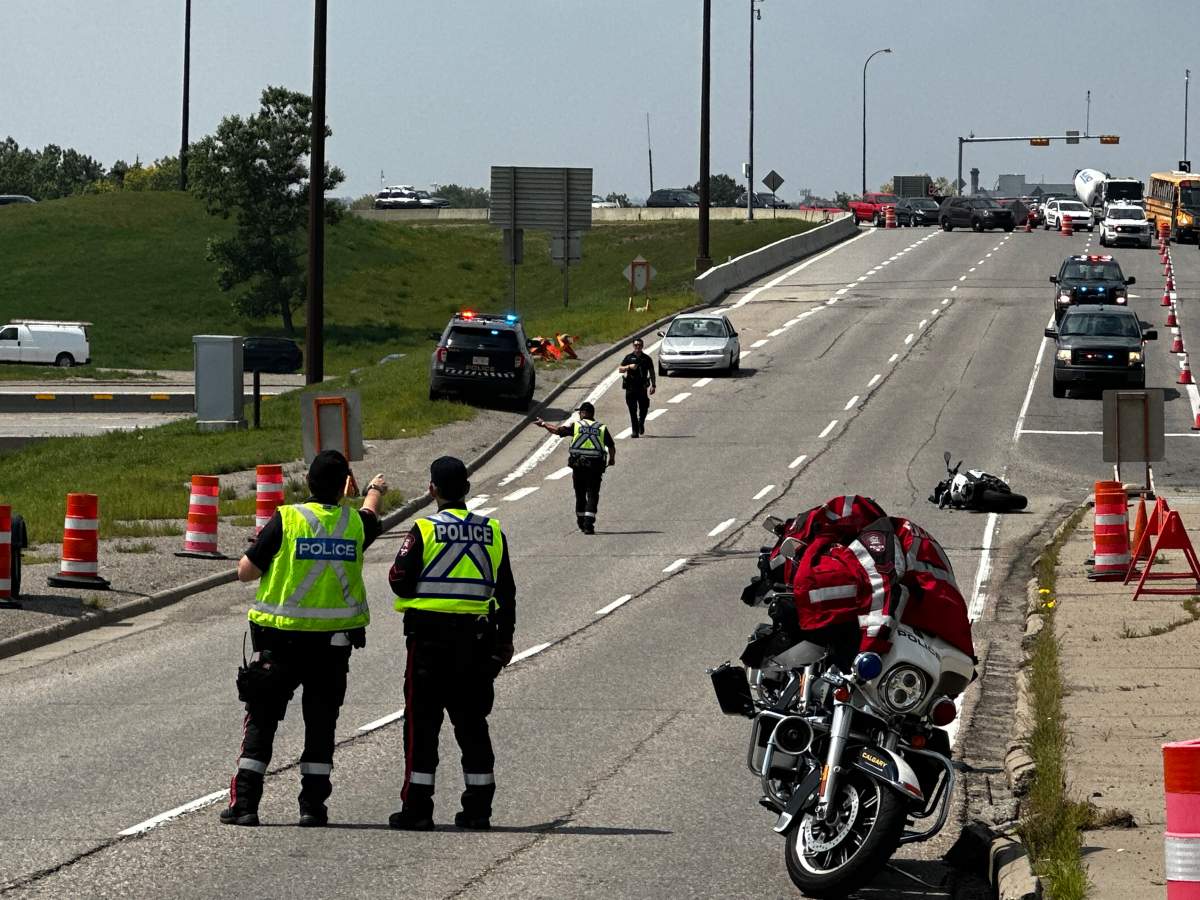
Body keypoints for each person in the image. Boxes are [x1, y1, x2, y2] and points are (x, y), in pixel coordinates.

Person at [221, 450, 388, 828]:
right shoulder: (354, 526)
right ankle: (312, 806)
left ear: (308, 483)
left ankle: (245, 804)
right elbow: (371, 513)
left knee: (262, 721)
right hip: (332, 647)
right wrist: (374, 489)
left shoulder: (288, 518)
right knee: (321, 725)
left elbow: (245, 573)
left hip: (278, 643)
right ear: (346, 486)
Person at [387, 456, 517, 831]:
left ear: (433, 490)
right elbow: (506, 592)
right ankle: (478, 809)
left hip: (428, 644)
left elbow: (399, 579)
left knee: (421, 728)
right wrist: (505, 640)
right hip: (477, 643)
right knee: (473, 725)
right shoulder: (492, 531)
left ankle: (417, 809)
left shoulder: (425, 529)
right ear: (467, 490)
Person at [534, 401, 616, 534]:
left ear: (583, 413)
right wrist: (612, 459)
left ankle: (581, 521)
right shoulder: (601, 428)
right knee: (593, 494)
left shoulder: (576, 426)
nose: (579, 414)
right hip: (595, 468)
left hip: (579, 467)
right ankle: (589, 525)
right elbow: (611, 447)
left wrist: (543, 424)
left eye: (580, 412)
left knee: (580, 494)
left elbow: (557, 431)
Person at [618, 337, 656, 437]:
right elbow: (620, 369)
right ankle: (635, 431)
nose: (637, 347)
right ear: (633, 346)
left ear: (642, 346)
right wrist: (628, 367)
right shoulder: (629, 357)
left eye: (639, 345)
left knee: (644, 408)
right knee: (632, 410)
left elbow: (652, 372)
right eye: (636, 345)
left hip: (642, 388)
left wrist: (653, 385)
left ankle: (641, 423)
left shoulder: (646, 359)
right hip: (630, 388)